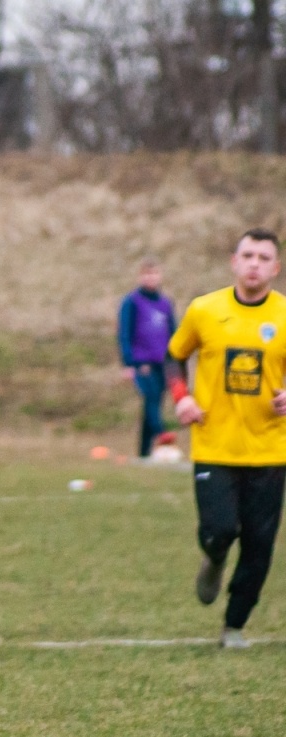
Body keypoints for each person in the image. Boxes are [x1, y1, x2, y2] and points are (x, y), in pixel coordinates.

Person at [165, 227, 286, 649]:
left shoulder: (284, 316)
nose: (254, 264)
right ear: (234, 262)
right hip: (214, 446)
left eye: (263, 257)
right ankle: (214, 558)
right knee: (219, 530)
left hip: (269, 451)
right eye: (247, 255)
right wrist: (182, 398)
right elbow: (175, 356)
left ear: (276, 267)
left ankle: (234, 626)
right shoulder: (204, 310)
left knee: (258, 545)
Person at [118, 258, 178, 458]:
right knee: (150, 398)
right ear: (140, 276)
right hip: (142, 362)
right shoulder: (132, 302)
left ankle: (143, 453)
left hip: (162, 362)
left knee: (154, 403)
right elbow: (124, 333)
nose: (151, 278)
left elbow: (173, 333)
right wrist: (129, 362)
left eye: (154, 274)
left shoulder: (165, 303)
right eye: (147, 274)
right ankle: (163, 434)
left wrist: (174, 359)